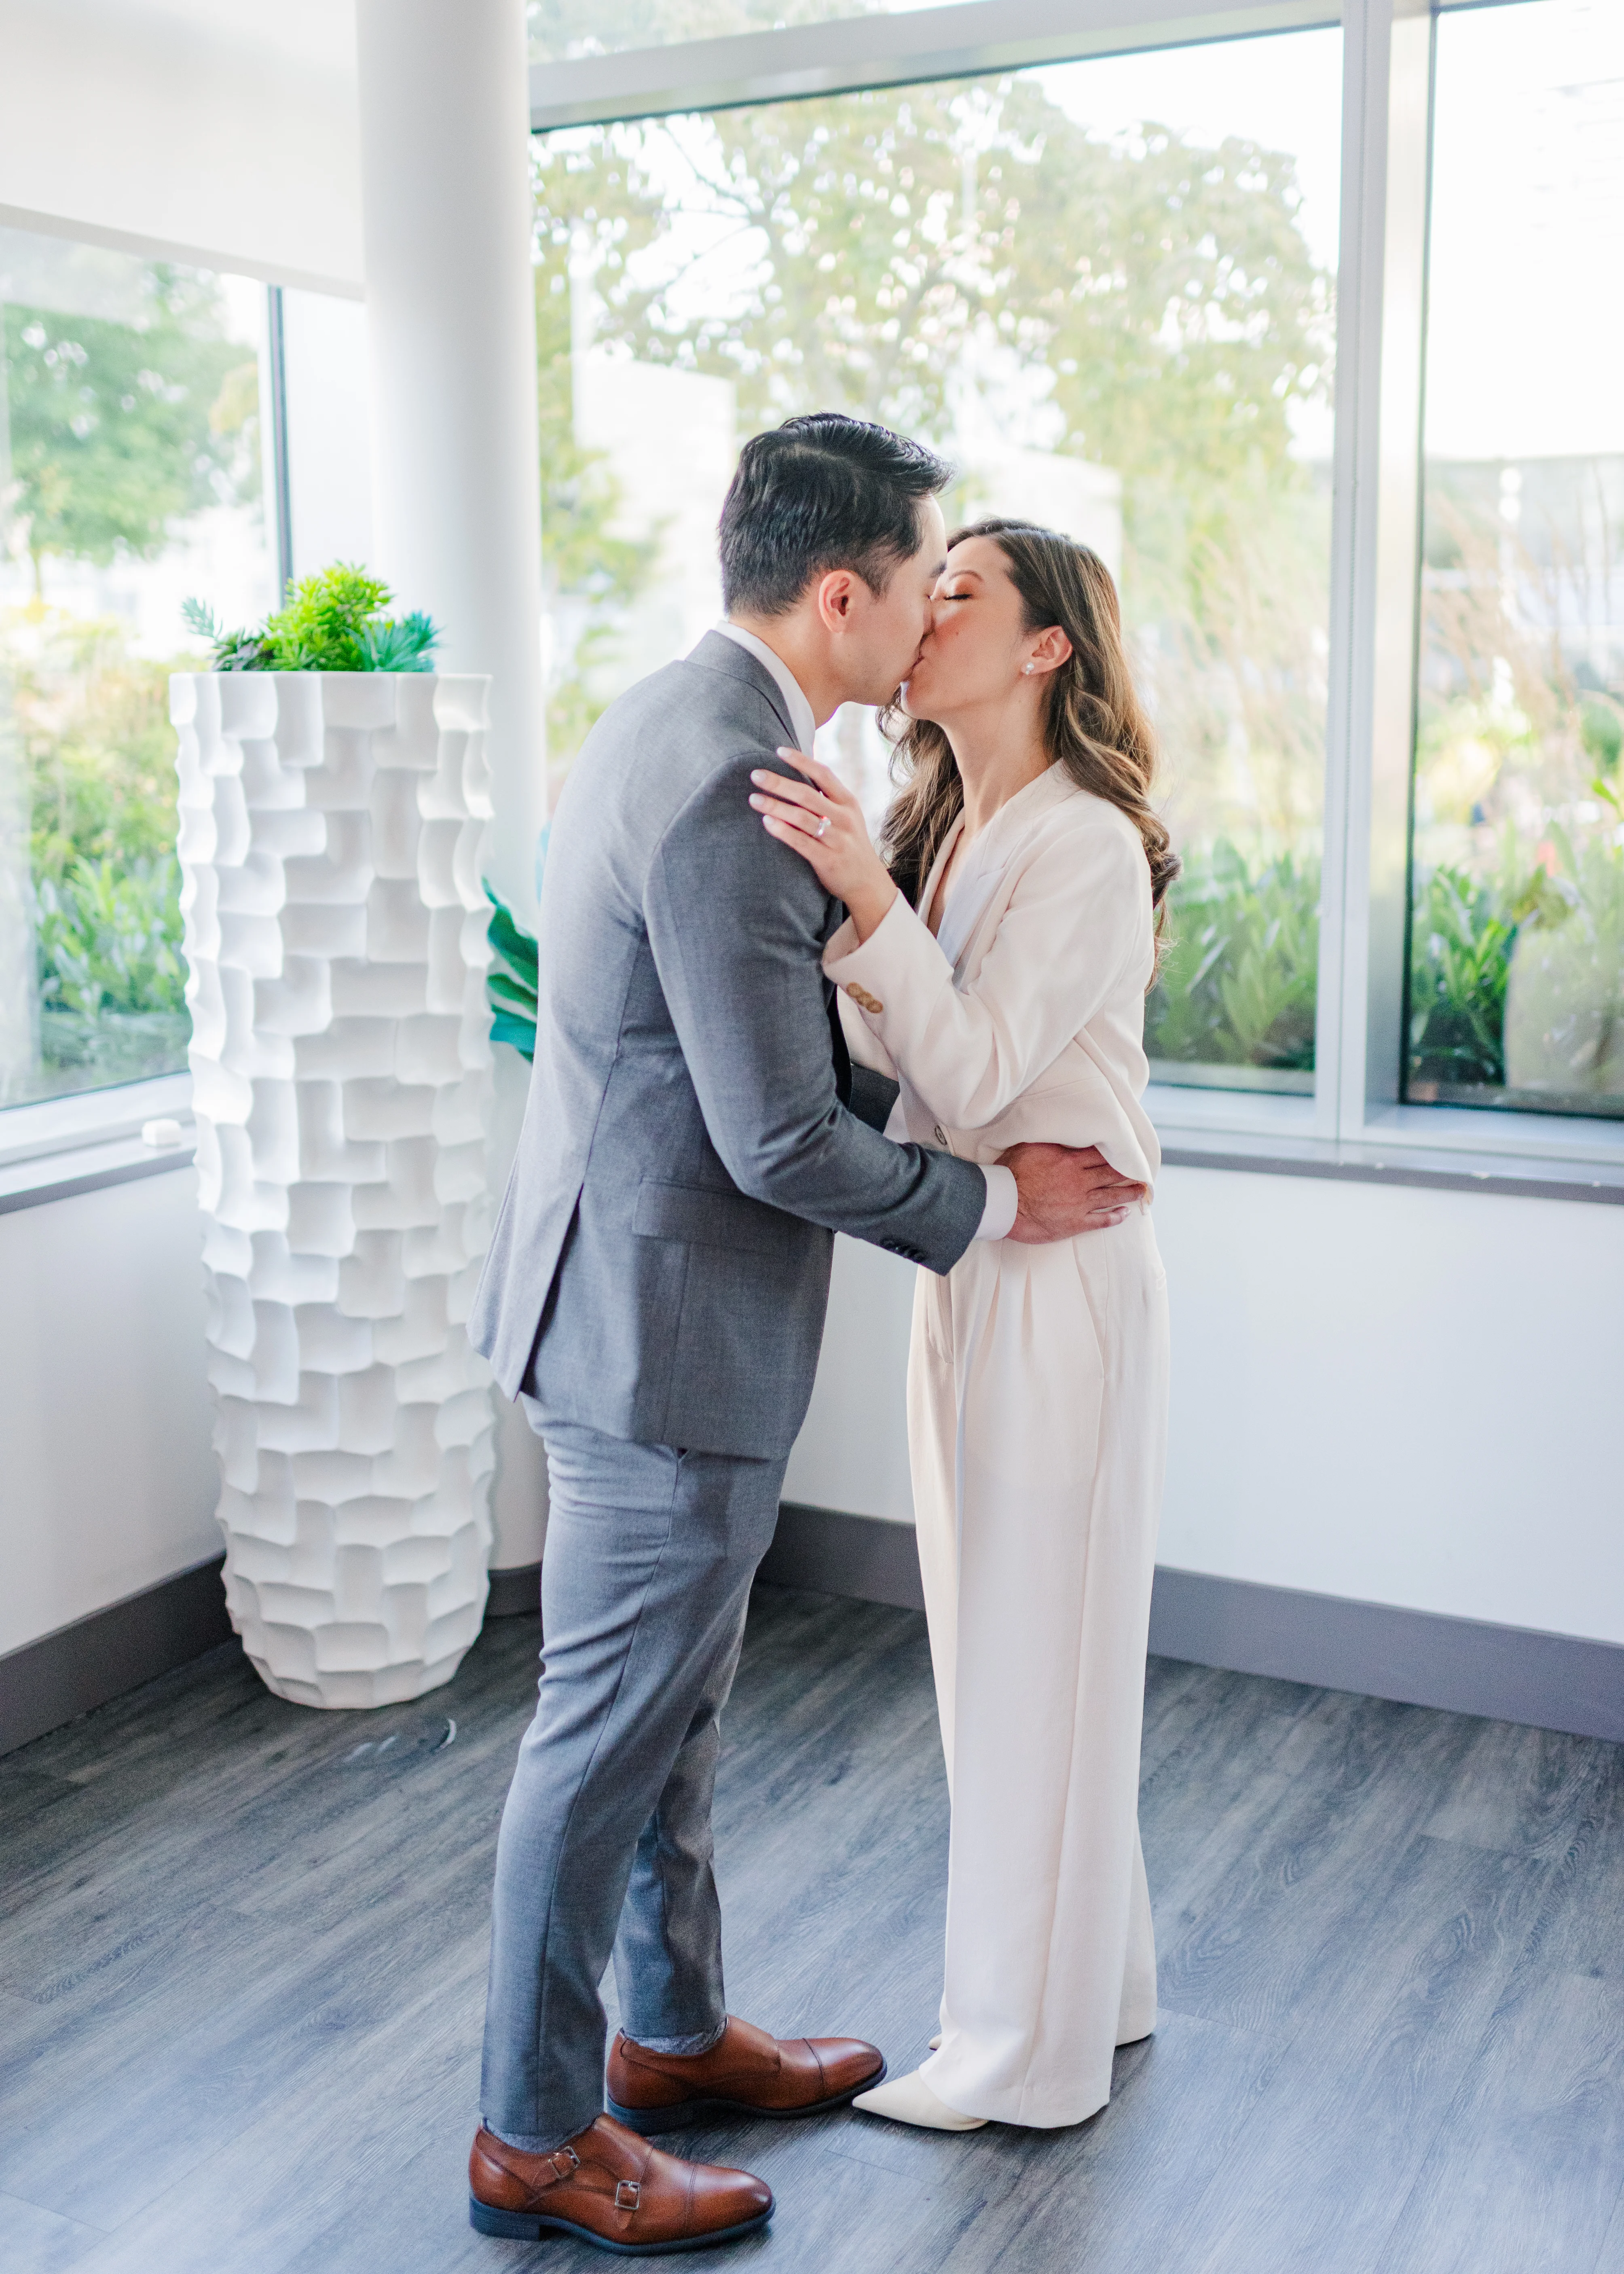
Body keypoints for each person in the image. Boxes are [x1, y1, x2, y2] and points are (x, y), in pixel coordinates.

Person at [465, 423, 1145, 2253]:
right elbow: (775, 1133)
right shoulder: (729, 779)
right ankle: (535, 2134)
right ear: (838, 595)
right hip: (655, 1342)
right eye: (925, 571)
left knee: (665, 1722)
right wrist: (993, 1205)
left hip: (645, 1315)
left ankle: (670, 2040)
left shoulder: (691, 727)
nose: (935, 599)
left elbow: (769, 1057)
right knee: (604, 1740)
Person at [749, 517, 1175, 2133]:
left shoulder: (1079, 838)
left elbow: (981, 1073)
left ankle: (1013, 2054)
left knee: (1030, 1658)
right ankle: (1100, 1983)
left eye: (962, 590)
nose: (925, 611)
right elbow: (915, 1070)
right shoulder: (959, 831)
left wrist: (857, 891)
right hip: (978, 1256)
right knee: (1009, 1653)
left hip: (1058, 1278)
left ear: (1048, 645)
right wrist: (872, 897)